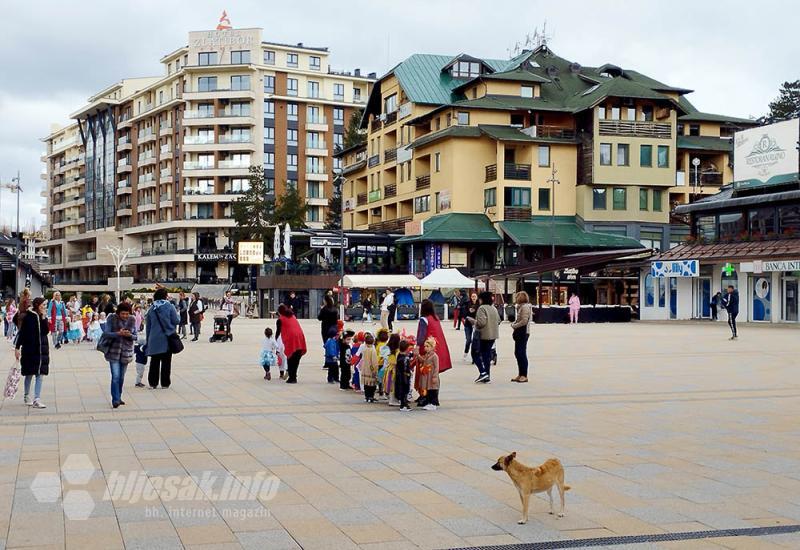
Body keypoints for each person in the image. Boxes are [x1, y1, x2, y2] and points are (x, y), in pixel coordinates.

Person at [15, 297, 50, 409]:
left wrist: (44, 318)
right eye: (43, 305)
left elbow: (45, 331)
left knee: (40, 374)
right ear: (37, 305)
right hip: (30, 349)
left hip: (42, 350)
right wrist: (17, 347)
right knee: (29, 373)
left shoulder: (42, 316)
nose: (44, 307)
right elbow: (22, 333)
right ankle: (26, 395)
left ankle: (37, 398)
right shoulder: (28, 317)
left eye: (45, 305)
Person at [102, 302, 137, 408]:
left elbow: (135, 336)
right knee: (115, 376)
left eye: (127, 314)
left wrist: (129, 335)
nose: (125, 316)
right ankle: (115, 399)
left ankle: (119, 396)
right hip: (114, 351)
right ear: (118, 313)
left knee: (121, 377)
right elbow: (105, 333)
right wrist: (118, 333)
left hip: (126, 352)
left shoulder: (132, 319)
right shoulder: (112, 318)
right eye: (123, 314)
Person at [145, 288, 180, 389]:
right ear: (165, 296)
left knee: (154, 361)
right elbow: (176, 320)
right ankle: (165, 383)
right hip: (166, 338)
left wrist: (148, 341)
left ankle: (153, 383)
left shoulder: (152, 308)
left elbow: (148, 327)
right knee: (166, 361)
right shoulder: (169, 306)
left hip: (154, 338)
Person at [415, 299, 452, 377]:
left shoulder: (424, 319)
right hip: (436, 347)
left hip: (426, 347)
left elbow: (422, 335)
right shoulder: (435, 318)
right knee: (434, 370)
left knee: (425, 371)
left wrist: (417, 346)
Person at [472, 291, 500, 384]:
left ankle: (483, 372)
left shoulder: (482, 308)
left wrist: (474, 322)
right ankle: (487, 375)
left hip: (483, 335)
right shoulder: (494, 308)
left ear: (482, 299)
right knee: (486, 355)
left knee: (475, 353)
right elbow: (499, 320)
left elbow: (481, 323)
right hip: (493, 335)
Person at [277, 304, 306, 383]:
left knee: (290, 358)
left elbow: (278, 332)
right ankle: (293, 376)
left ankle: (292, 377)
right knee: (296, 359)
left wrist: (275, 342)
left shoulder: (280, 319)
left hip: (292, 340)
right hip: (300, 338)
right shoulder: (293, 316)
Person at [511, 291, 533, 383]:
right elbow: (519, 319)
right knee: (517, 353)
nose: (515, 299)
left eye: (517, 297)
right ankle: (520, 374)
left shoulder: (525, 307)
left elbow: (524, 321)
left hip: (523, 333)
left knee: (521, 353)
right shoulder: (520, 307)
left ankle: (524, 375)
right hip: (519, 332)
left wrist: (514, 325)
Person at [416, 337, 441, 410]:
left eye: (427, 346)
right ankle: (429, 402)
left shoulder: (435, 356)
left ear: (432, 347)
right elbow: (423, 361)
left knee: (433, 389)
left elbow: (437, 367)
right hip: (427, 376)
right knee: (428, 389)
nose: (425, 348)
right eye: (425, 346)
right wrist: (418, 355)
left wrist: (435, 376)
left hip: (431, 375)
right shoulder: (427, 355)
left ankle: (433, 403)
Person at [358, 333, 380, 403]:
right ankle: (371, 396)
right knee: (372, 384)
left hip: (365, 369)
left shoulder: (365, 349)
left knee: (366, 384)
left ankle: (366, 396)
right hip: (371, 370)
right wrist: (375, 369)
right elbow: (374, 361)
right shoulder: (372, 351)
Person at [383, 333, 401, 406]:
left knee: (389, 384)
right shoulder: (397, 351)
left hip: (389, 368)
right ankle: (393, 400)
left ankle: (390, 398)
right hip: (394, 369)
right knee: (394, 385)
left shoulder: (387, 348)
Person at [460, 292, 479, 361]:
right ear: (471, 297)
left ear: (477, 297)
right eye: (472, 296)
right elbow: (464, 313)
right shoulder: (467, 304)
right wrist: (467, 315)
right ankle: (465, 353)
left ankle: (475, 355)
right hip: (468, 324)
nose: (473, 298)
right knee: (468, 340)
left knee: (476, 340)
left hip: (476, 324)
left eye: (475, 296)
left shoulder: (479, 304)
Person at [395, 340, 413, 411]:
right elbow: (406, 369)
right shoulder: (405, 358)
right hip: (404, 377)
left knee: (401, 390)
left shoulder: (399, 355)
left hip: (399, 376)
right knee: (405, 391)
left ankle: (403, 404)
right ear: (407, 348)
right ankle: (403, 405)